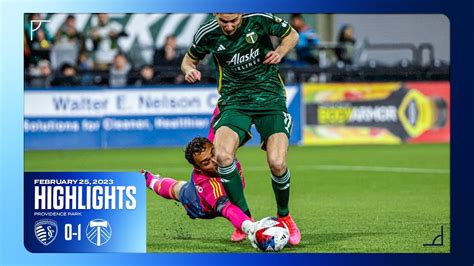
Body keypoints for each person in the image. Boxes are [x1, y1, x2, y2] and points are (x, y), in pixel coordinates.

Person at [181, 13, 301, 245]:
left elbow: (292, 35)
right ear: (216, 15)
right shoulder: (207, 33)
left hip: (269, 98)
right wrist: (188, 70)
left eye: (234, 21)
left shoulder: (259, 19)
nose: (229, 26)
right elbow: (188, 60)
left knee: (277, 163)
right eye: (224, 21)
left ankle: (284, 217)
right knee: (223, 155)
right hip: (234, 101)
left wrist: (280, 52)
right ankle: (245, 219)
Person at [143, 137, 256, 242]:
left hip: (219, 188)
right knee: (178, 189)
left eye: (213, 153)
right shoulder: (210, 185)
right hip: (198, 204)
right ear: (198, 168)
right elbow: (228, 209)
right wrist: (250, 227)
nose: (215, 161)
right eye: (206, 163)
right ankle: (150, 181)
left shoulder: (223, 152)